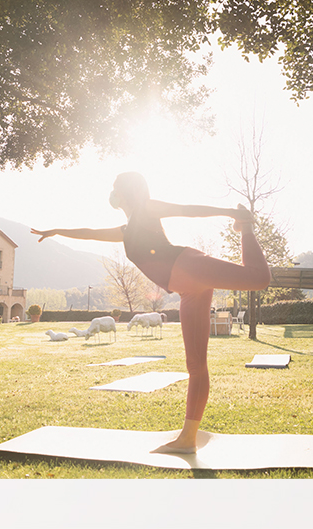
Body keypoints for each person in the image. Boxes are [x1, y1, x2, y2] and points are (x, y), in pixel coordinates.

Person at [31, 171, 271, 453]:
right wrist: (58, 230)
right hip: (187, 290)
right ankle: (187, 439)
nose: (111, 193)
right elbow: (91, 233)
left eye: (114, 187)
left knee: (258, 278)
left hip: (188, 265)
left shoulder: (147, 207)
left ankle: (246, 227)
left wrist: (232, 213)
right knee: (195, 365)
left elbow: (187, 211)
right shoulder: (125, 230)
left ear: (126, 192)